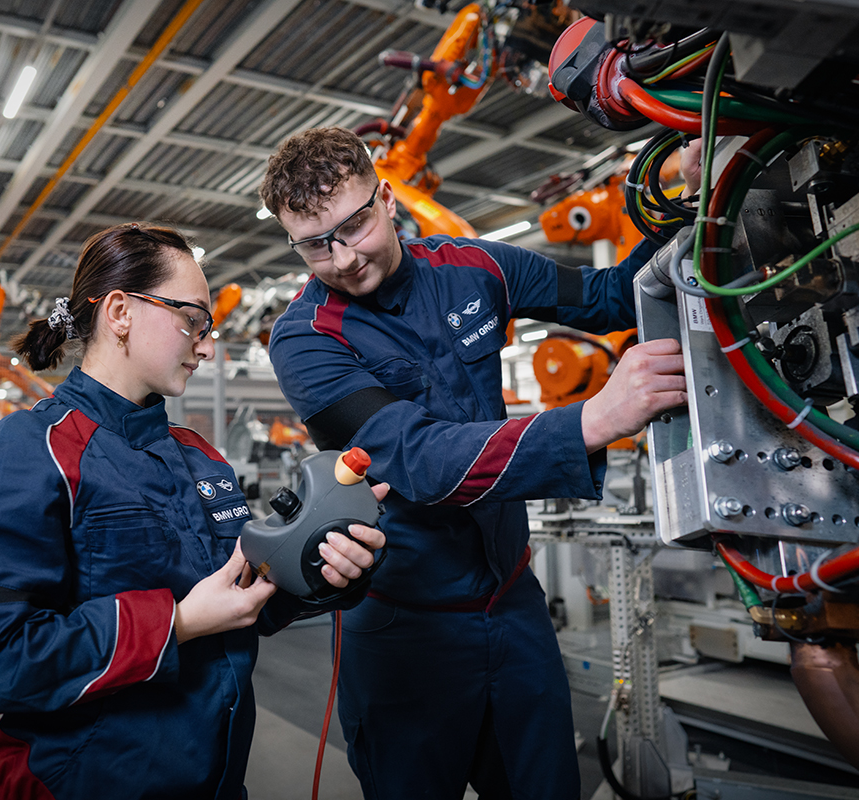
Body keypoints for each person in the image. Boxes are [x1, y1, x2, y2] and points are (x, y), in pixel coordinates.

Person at [259, 126, 694, 799]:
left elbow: (610, 295)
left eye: (354, 226)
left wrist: (687, 201)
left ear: (388, 201)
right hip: (403, 623)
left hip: (510, 602)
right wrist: (594, 419)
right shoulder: (305, 338)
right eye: (317, 244)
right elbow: (421, 460)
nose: (343, 258)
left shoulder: (474, 268)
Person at [0, 222, 386, 800]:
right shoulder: (18, 456)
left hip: (215, 779)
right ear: (120, 312)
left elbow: (243, 598)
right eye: (193, 319)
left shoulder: (201, 459)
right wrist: (178, 622)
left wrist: (327, 565)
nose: (206, 344)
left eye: (209, 325)